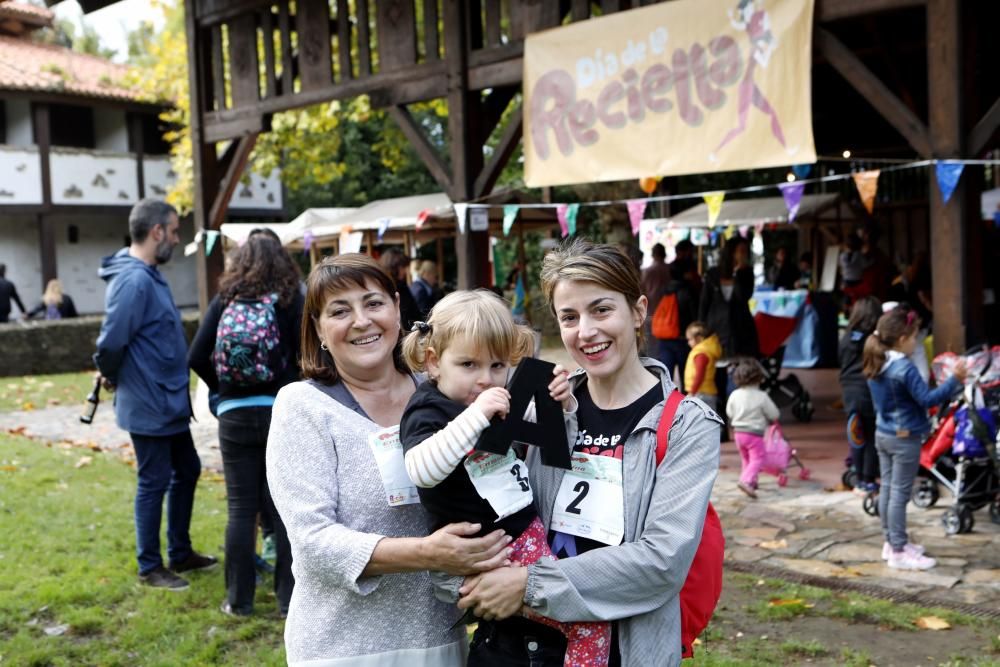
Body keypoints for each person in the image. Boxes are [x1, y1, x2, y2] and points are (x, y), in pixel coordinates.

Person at [457, 239, 722, 667]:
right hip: (510, 645)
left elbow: (660, 562)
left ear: (637, 312)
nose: (586, 331)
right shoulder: (542, 401)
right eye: (569, 317)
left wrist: (529, 584)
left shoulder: (688, 424)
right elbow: (485, 496)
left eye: (601, 310)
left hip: (619, 649)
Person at [265, 254, 512, 665]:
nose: (362, 320)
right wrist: (427, 553)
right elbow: (312, 542)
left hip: (438, 639)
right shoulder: (303, 406)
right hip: (341, 646)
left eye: (373, 303)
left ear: (398, 310)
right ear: (319, 330)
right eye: (340, 311)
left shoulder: (448, 390)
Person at [399, 290, 610, 665]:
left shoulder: (491, 400)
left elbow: (539, 430)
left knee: (575, 621)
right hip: (489, 551)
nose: (485, 379)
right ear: (433, 363)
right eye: (468, 365)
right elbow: (422, 470)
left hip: (519, 536)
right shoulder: (429, 408)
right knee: (585, 622)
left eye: (497, 366)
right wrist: (477, 414)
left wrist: (562, 404)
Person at [93, 198, 216, 590]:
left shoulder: (148, 274)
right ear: (156, 231)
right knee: (154, 480)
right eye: (175, 231)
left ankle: (180, 552)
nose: (177, 240)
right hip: (149, 401)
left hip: (167, 400)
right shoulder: (133, 280)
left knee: (188, 469)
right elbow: (111, 342)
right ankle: (150, 566)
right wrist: (110, 374)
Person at [188, 234, 303, 617]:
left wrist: (223, 392)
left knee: (240, 510)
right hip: (280, 412)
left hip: (234, 414)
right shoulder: (290, 298)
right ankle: (289, 600)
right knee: (283, 508)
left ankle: (239, 601)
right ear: (281, 260)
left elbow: (196, 355)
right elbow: (309, 354)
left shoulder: (226, 299)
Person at [864, 308, 966, 571]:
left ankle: (891, 542)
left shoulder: (877, 360)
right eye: (914, 337)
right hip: (904, 438)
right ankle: (899, 550)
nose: (916, 343)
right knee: (899, 494)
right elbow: (928, 400)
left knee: (887, 489)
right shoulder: (903, 368)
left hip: (883, 434)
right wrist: (955, 380)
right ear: (901, 339)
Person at [838, 296, 881, 494]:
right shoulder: (873, 340)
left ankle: (858, 476)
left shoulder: (846, 337)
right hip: (868, 391)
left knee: (856, 434)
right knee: (872, 435)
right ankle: (868, 479)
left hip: (849, 393)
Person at [725, 358, 780, 499]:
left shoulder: (734, 395)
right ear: (759, 378)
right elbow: (774, 413)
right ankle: (746, 481)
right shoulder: (761, 396)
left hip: (738, 433)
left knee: (746, 459)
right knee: (758, 459)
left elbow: (729, 412)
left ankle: (752, 481)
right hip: (754, 434)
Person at [379, 248, 421, 330]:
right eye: (403, 267)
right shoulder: (383, 288)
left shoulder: (402, 286)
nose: (405, 271)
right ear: (393, 266)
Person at [684, 321, 722, 411]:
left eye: (690, 339)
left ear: (698, 338)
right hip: (704, 392)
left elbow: (699, 374)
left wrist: (692, 392)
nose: (688, 343)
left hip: (701, 393)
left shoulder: (701, 353)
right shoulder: (704, 350)